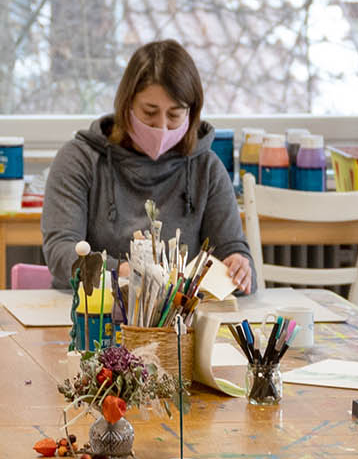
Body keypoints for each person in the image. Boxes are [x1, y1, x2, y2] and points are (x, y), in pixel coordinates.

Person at [41, 39, 254, 292]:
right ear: (126, 104)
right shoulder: (80, 159)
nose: (161, 127)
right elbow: (61, 252)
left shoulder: (206, 168)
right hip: (93, 313)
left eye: (174, 116)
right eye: (149, 112)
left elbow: (232, 248)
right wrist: (118, 271)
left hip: (175, 324)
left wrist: (238, 265)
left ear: (192, 113)